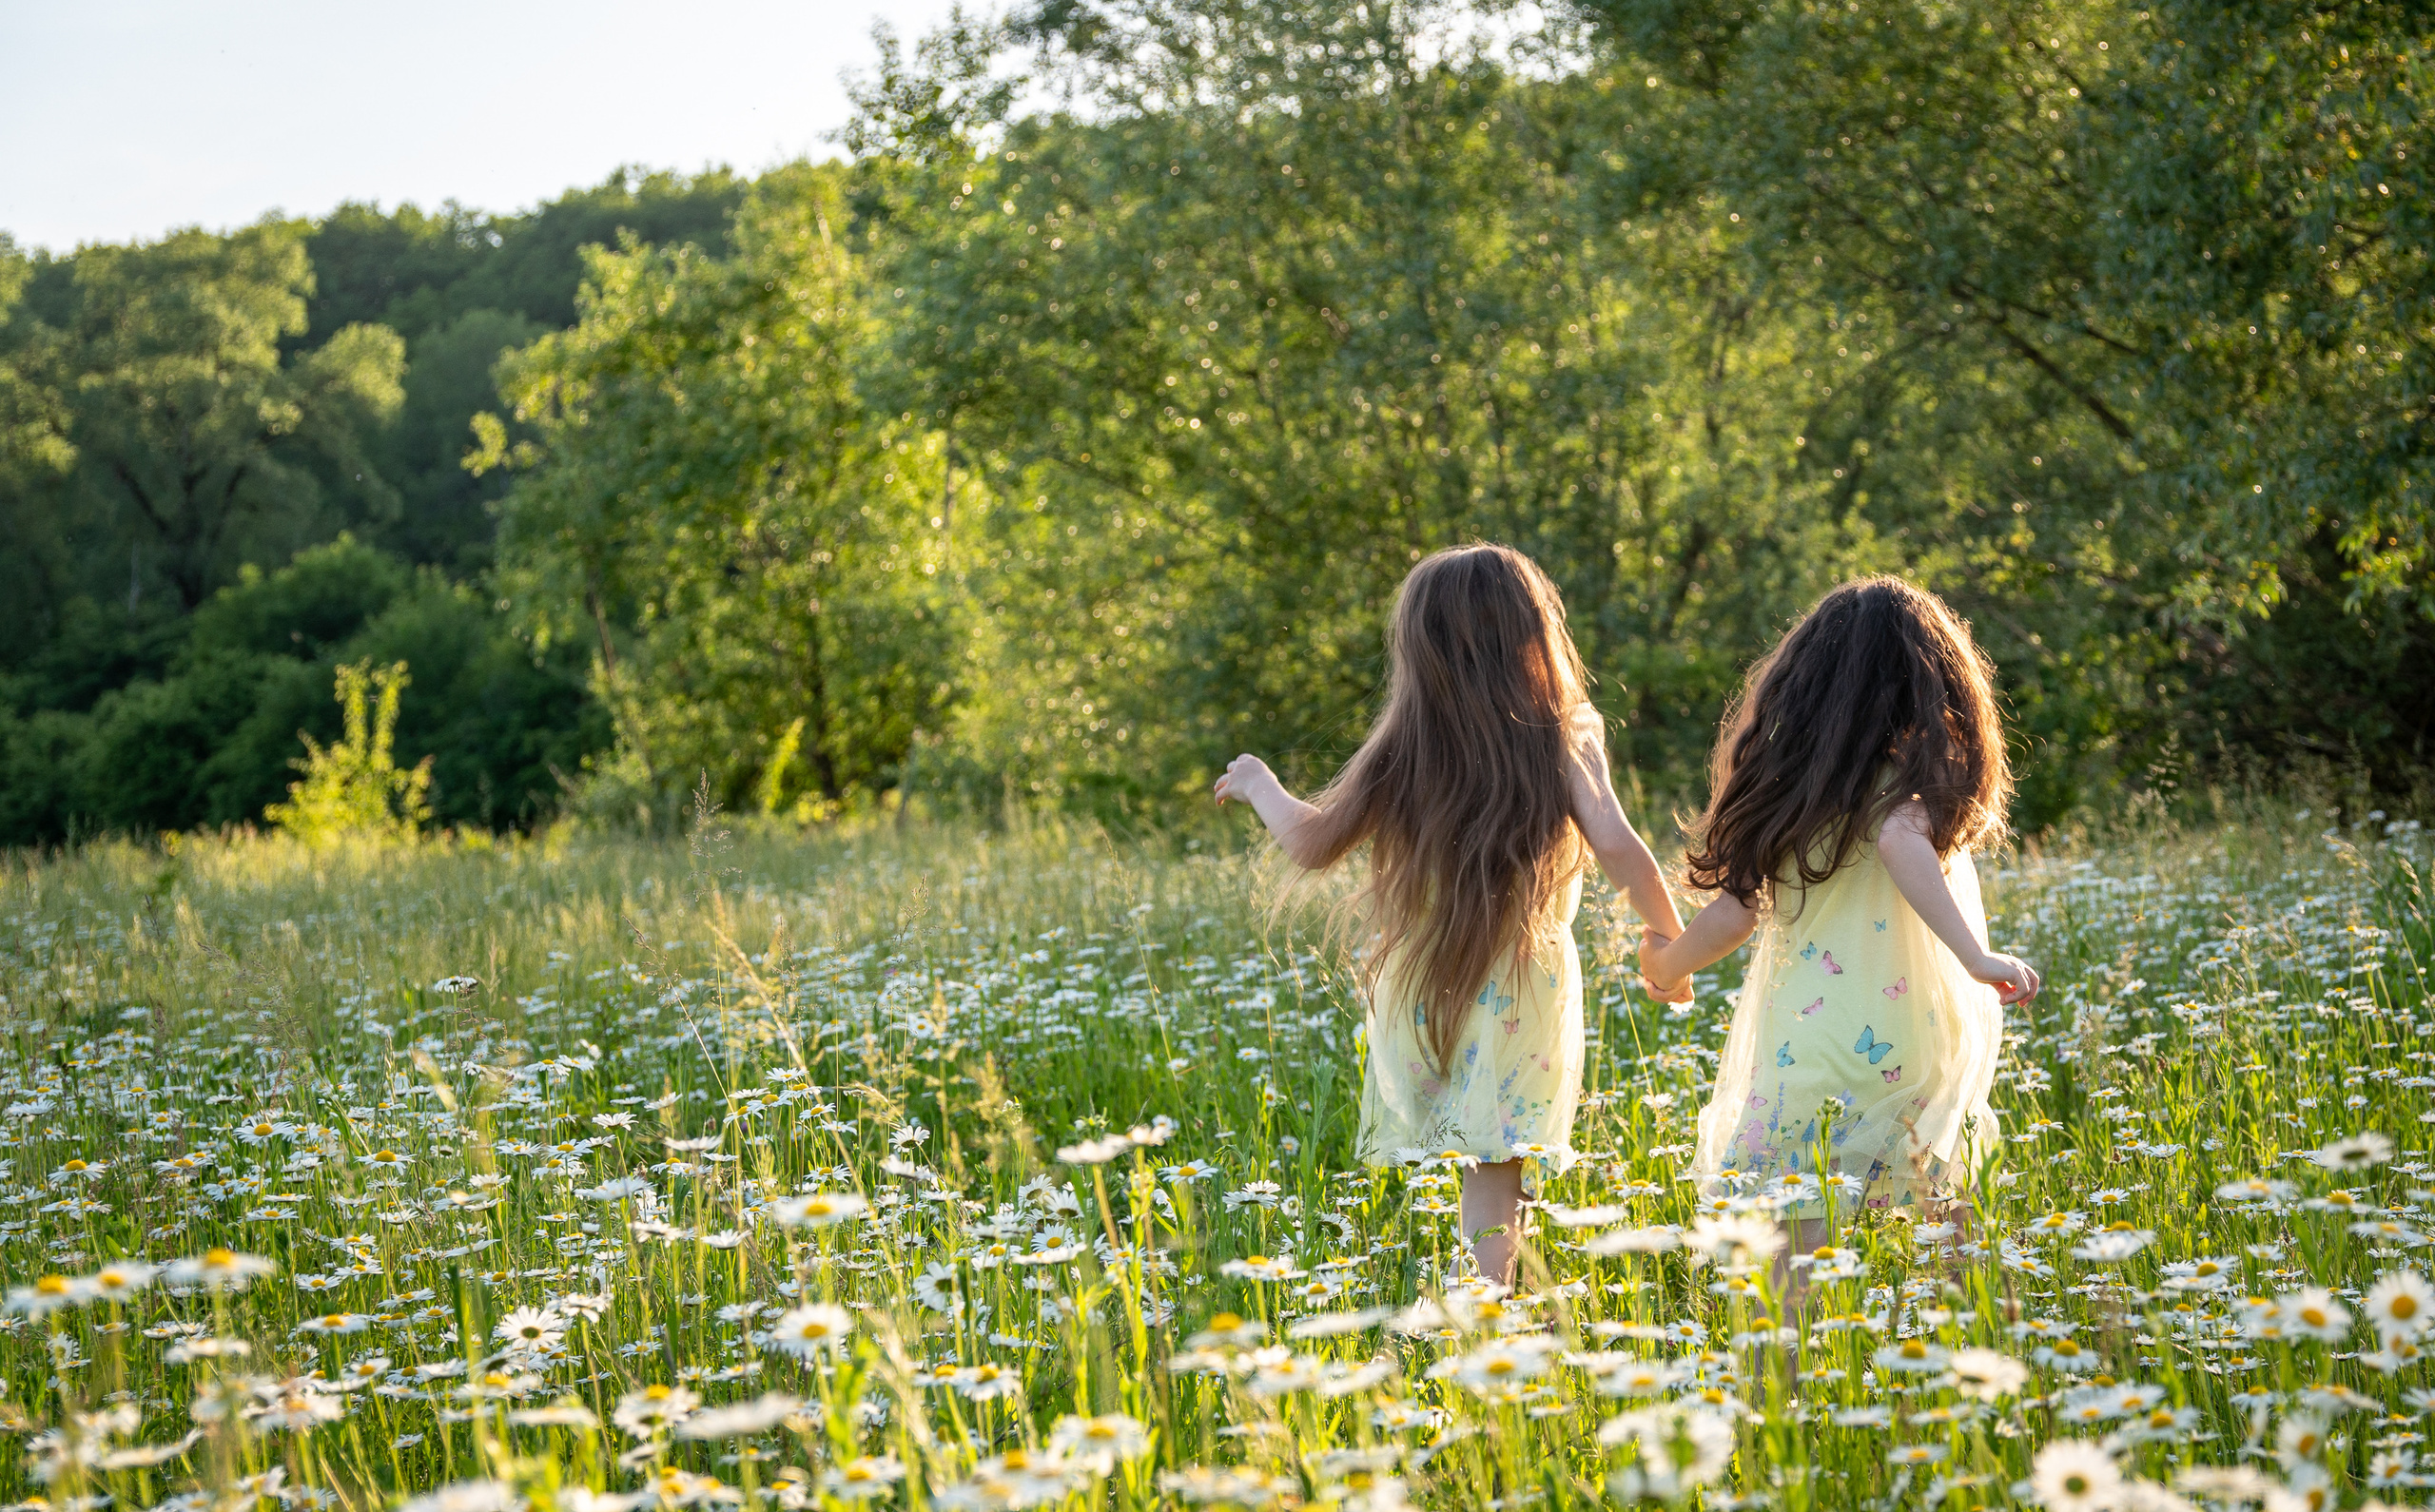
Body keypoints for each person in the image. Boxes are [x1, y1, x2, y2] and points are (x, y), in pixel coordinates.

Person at [1214, 543, 1685, 1284]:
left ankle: (1491, 1297)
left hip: (1427, 983)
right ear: (1536, 636)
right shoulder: (1563, 737)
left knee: (1488, 1168)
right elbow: (1622, 849)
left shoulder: (1407, 744)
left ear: (1419, 652)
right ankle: (1491, 1308)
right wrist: (1670, 939)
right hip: (1524, 990)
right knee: (1496, 1167)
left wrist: (1259, 785)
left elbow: (1310, 844)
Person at [1640, 576, 2039, 1246]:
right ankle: (1975, 1336)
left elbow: (1734, 918)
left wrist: (1666, 967)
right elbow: (1898, 838)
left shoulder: (1786, 792)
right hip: (1917, 1041)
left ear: (1800, 689)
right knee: (1944, 1204)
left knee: (1794, 1231)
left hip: (1811, 1045)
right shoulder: (1916, 787)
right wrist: (1974, 957)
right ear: (1937, 689)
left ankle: (1783, 1352)